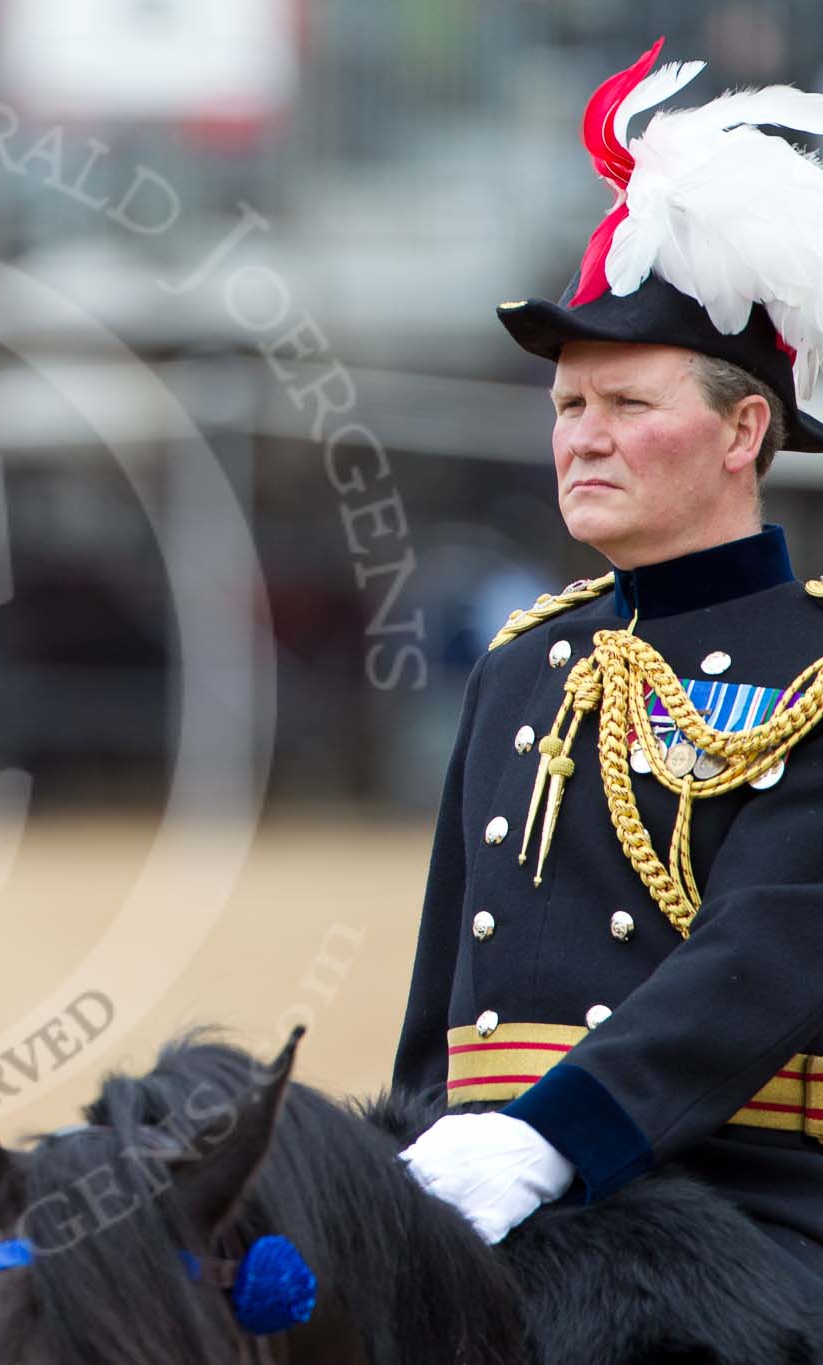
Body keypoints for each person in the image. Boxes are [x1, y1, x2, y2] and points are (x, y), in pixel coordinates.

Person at [393, 41, 823, 1281]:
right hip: (497, 1207)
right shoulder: (521, 666)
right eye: (567, 409)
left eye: (627, 407)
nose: (583, 439)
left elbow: (768, 951)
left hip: (737, 1219)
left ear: (744, 429)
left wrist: (549, 1144)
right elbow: (441, 1019)